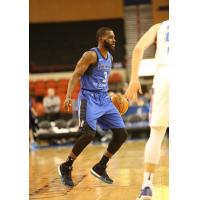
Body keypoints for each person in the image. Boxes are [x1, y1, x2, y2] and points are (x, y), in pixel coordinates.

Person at [58, 27, 128, 187]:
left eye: (114, 37)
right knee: (89, 134)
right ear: (101, 39)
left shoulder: (109, 57)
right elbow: (76, 74)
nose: (114, 40)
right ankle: (66, 165)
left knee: (121, 134)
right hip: (88, 99)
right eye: (111, 37)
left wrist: (111, 95)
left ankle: (101, 166)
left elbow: (101, 79)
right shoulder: (90, 55)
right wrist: (68, 96)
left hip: (104, 99)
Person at [125, 20, 169, 200]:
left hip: (165, 76)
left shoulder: (160, 27)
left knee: (157, 133)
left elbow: (137, 49)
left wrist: (134, 79)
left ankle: (147, 187)